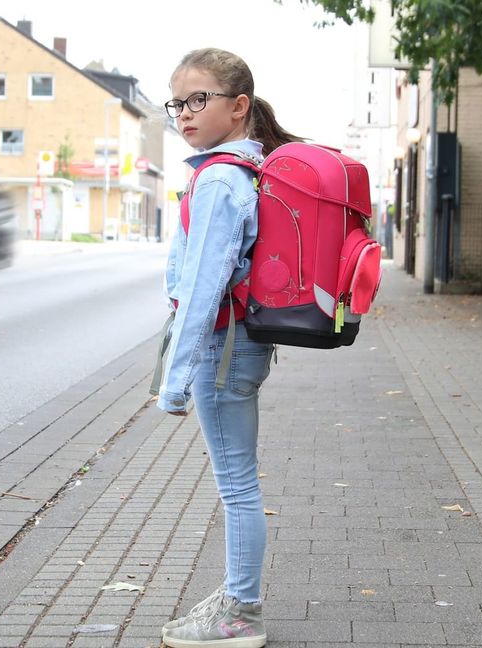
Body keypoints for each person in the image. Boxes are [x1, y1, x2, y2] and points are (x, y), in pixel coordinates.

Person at [155, 48, 303, 648]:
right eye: (177, 102)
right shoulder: (241, 169)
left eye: (199, 100)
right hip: (238, 348)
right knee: (239, 483)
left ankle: (241, 616)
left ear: (238, 107)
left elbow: (200, 289)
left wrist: (174, 378)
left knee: (238, 487)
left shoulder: (218, 178)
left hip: (221, 351)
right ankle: (236, 600)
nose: (184, 113)